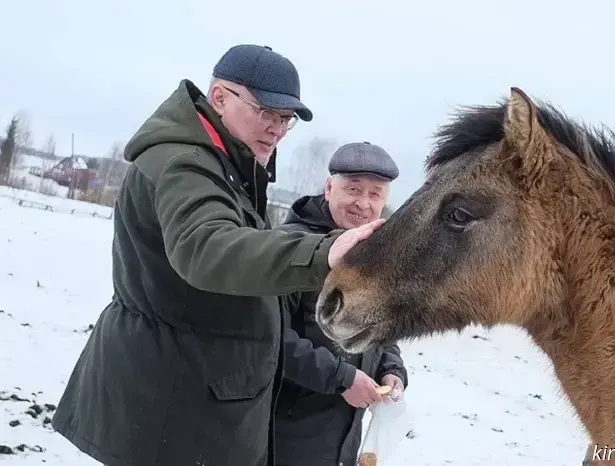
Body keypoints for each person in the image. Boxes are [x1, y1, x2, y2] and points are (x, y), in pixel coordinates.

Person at [50, 45, 385, 466]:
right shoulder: (184, 163)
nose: (277, 129)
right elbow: (208, 248)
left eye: (285, 120)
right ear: (220, 97)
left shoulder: (228, 167)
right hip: (169, 406)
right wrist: (324, 253)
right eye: (266, 112)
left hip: (197, 399)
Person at [273, 141, 409, 466]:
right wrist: (341, 378)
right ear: (329, 187)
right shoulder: (289, 248)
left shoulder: (375, 255)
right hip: (285, 437)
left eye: (375, 194)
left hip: (344, 440)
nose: (363, 204)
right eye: (353, 189)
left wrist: (392, 371)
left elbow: (381, 333)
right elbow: (269, 339)